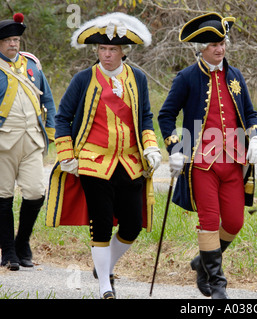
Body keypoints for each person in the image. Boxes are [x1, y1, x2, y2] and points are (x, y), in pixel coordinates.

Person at [45, 12, 161, 299]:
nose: (106, 55)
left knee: (133, 225)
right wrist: (66, 154)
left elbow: (145, 116)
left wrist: (151, 146)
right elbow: (63, 118)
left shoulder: (139, 79)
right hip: (93, 162)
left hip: (130, 162)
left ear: (123, 52)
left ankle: (105, 264)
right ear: (96, 51)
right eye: (102, 50)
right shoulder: (83, 79)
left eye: (112, 50)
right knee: (101, 223)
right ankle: (105, 287)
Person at [158, 12, 257, 299]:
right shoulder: (187, 78)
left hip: (233, 161)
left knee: (234, 222)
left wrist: (256, 137)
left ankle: (202, 262)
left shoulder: (236, 75)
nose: (219, 49)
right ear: (200, 49)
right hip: (201, 163)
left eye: (222, 43)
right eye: (212, 45)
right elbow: (166, 115)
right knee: (209, 220)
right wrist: (175, 148)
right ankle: (217, 283)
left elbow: (250, 114)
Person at [0, 13, 56, 270]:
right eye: (8, 40)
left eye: (16, 39)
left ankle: (22, 242)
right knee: (3, 197)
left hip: (32, 140)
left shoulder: (31, 65)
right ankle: (8, 251)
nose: (13, 44)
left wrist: (52, 129)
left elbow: (48, 101)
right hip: (2, 142)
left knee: (35, 193)